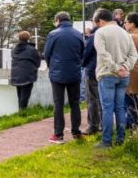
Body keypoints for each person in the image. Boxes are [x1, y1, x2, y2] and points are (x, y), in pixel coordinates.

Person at [94, 8, 138, 148]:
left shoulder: (100, 32)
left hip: (107, 74)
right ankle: (120, 138)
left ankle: (106, 141)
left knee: (107, 108)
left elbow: (102, 54)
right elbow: (134, 55)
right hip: (124, 75)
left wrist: (116, 68)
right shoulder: (125, 33)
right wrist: (125, 67)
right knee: (120, 108)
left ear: (101, 20)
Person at [43, 12, 85, 144]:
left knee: (58, 104)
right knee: (75, 103)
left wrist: (52, 67)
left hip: (57, 74)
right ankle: (76, 131)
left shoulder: (53, 34)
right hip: (74, 72)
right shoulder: (78, 34)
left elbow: (47, 54)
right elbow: (82, 53)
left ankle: (59, 135)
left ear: (57, 20)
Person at [10, 31, 41, 110]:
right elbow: (38, 62)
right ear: (28, 38)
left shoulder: (14, 50)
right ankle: (23, 114)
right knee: (25, 97)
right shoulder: (32, 50)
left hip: (16, 75)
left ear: (19, 38)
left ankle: (20, 113)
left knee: (20, 96)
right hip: (28, 75)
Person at [81, 17, 102, 134]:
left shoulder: (93, 36)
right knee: (103, 99)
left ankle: (93, 125)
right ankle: (104, 125)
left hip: (92, 70)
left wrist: (83, 64)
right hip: (106, 70)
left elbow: (86, 54)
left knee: (92, 98)